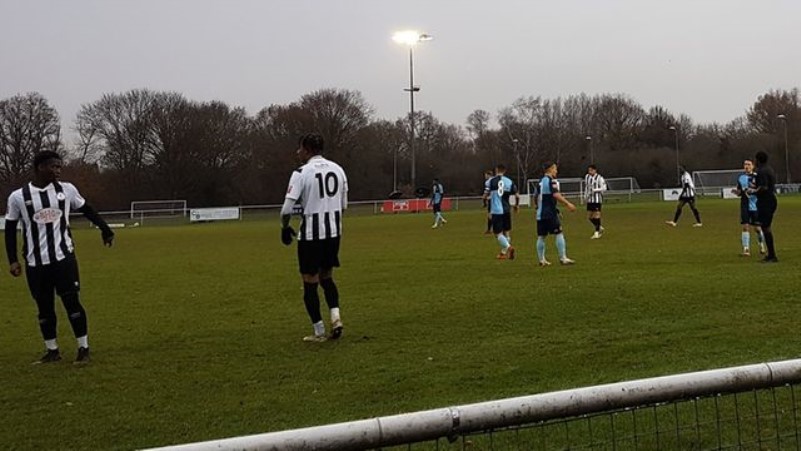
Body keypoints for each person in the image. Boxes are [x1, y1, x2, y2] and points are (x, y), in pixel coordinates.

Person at [4, 151, 114, 364]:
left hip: (64, 259)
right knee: (44, 308)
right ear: (40, 167)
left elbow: (87, 209)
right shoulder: (18, 196)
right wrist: (12, 260)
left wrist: (105, 229)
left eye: (59, 167)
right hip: (35, 263)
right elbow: (10, 230)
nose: (58, 171)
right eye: (54, 167)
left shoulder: (67, 189)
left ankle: (83, 348)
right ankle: (52, 351)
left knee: (72, 302)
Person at [281, 133, 348, 341]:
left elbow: (286, 210)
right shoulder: (338, 169)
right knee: (327, 277)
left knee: (309, 281)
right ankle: (335, 317)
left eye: (300, 148)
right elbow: (344, 206)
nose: (297, 152)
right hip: (333, 234)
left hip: (311, 235)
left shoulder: (301, 172)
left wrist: (285, 227)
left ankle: (319, 332)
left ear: (307, 150)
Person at [536, 162, 577, 266]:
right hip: (549, 213)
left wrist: (539, 208)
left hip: (540, 214)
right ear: (550, 169)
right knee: (559, 233)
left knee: (541, 236)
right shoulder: (551, 181)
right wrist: (568, 204)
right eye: (555, 169)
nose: (556, 171)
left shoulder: (540, 182)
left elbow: (535, 198)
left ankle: (541, 260)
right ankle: (563, 258)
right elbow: (555, 194)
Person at [483, 165, 519, 259]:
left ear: (496, 170)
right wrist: (516, 205)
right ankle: (503, 253)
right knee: (507, 232)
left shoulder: (490, 181)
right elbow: (517, 195)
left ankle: (509, 247)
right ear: (505, 171)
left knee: (498, 233)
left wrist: (485, 202)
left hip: (496, 210)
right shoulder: (509, 181)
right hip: (507, 209)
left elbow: (485, 195)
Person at [731, 158, 765, 257]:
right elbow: (740, 192)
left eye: (749, 164)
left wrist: (753, 191)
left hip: (756, 205)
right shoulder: (741, 178)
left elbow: (761, 189)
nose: (746, 166)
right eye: (745, 164)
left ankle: (761, 245)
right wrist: (736, 192)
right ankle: (746, 249)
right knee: (745, 227)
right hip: (745, 205)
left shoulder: (757, 177)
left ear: (753, 166)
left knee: (758, 229)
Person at [748, 151, 778, 262]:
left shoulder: (761, 171)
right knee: (765, 227)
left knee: (766, 227)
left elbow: (764, 187)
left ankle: (772, 255)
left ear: (758, 160)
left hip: (766, 201)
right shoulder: (769, 169)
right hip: (770, 200)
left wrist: (753, 191)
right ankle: (771, 254)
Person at [583, 164, 607, 239]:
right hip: (590, 199)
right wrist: (585, 196)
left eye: (591, 170)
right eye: (589, 170)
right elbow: (587, 187)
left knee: (596, 215)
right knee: (590, 217)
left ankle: (596, 232)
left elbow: (604, 188)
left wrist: (595, 190)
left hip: (597, 199)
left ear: (595, 170)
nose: (589, 172)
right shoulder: (587, 177)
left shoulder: (600, 178)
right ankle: (599, 227)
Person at [483, 170, 493, 234]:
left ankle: (489, 230)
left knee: (490, 214)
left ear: (488, 175)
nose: (485, 176)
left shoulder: (488, 182)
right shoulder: (496, 180)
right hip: (498, 199)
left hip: (491, 199)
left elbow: (487, 191)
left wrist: (484, 199)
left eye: (486, 175)